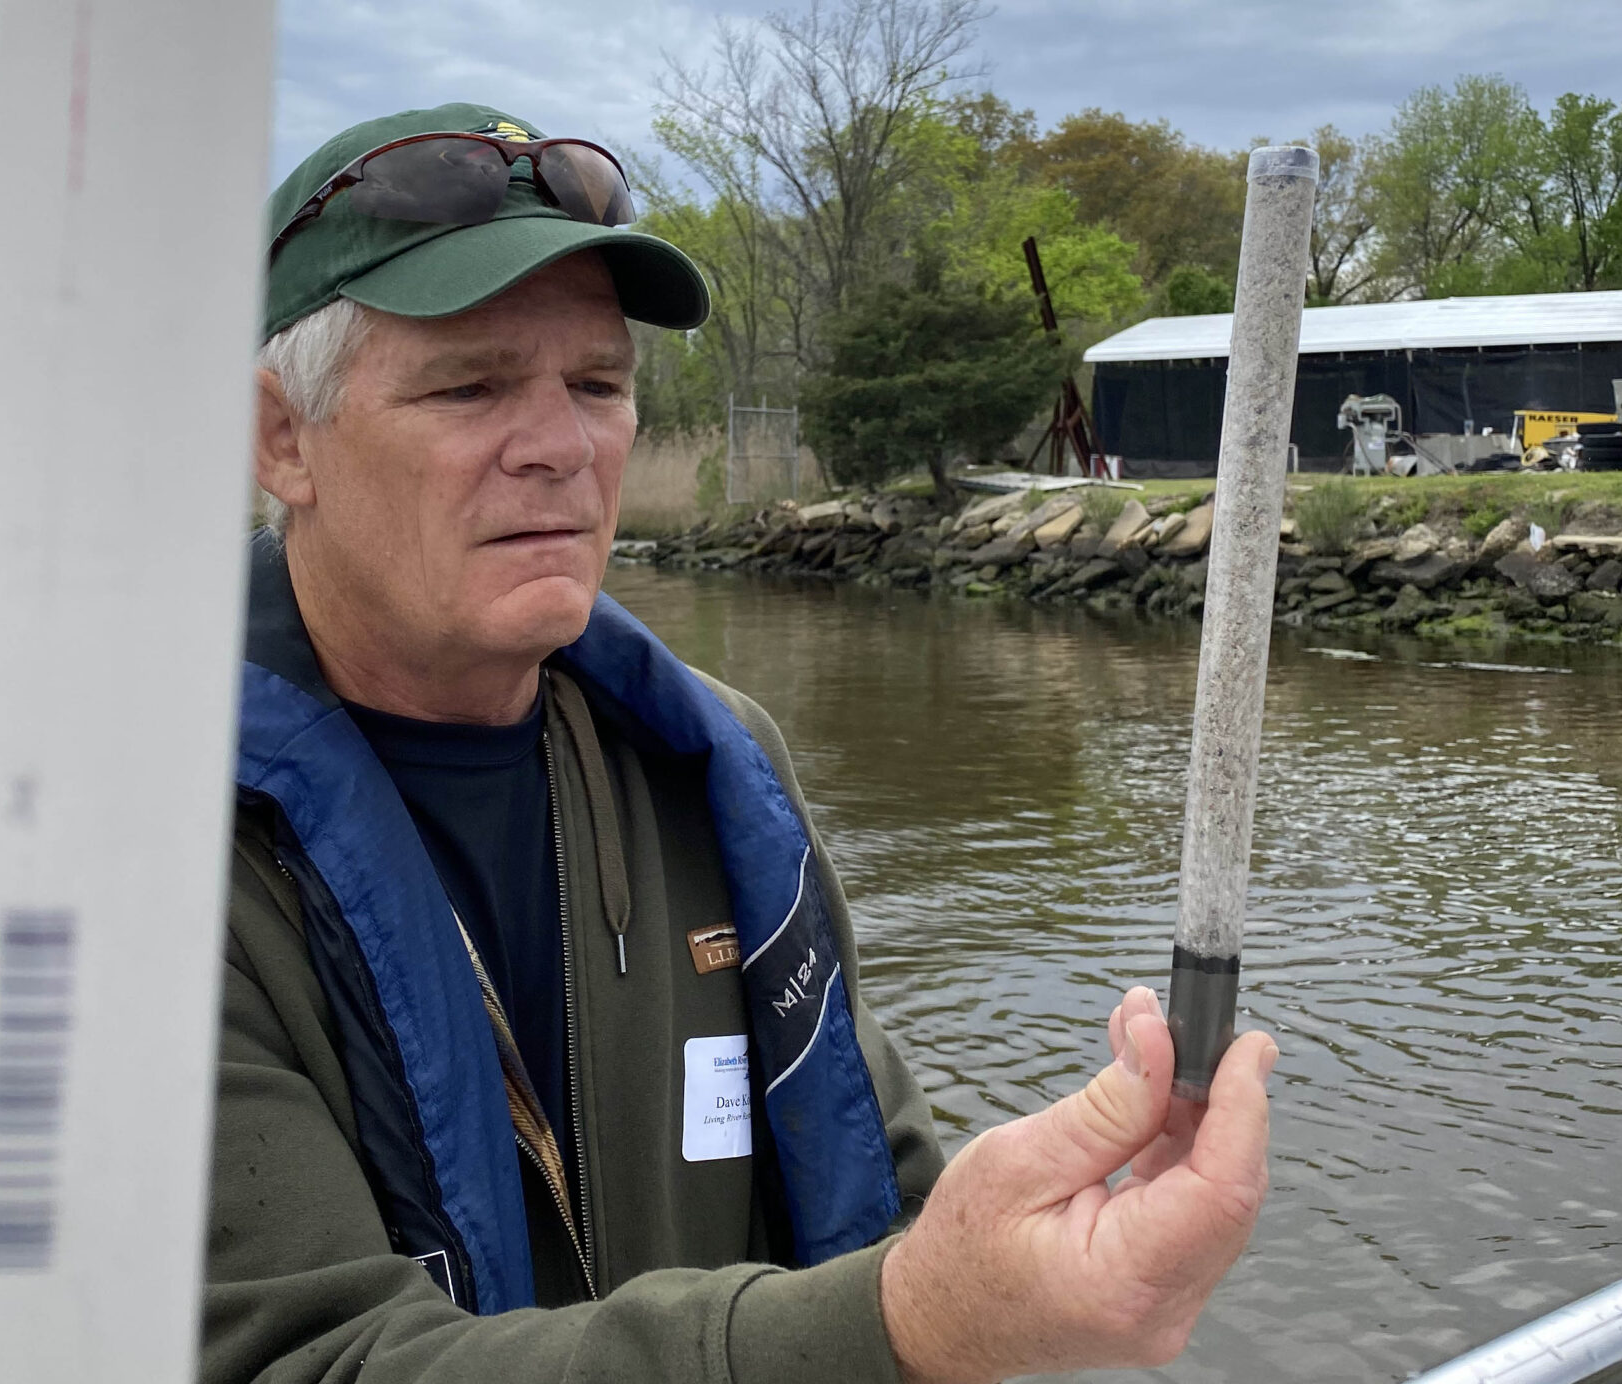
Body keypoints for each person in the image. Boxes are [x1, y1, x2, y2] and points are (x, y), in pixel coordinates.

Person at [205, 103, 1279, 1384]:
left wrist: (1063, 1241)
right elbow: (307, 1363)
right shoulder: (140, 851)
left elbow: (879, 1194)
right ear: (283, 439)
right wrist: (913, 1320)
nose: (560, 448)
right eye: (470, 384)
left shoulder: (715, 765)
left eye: (598, 386)